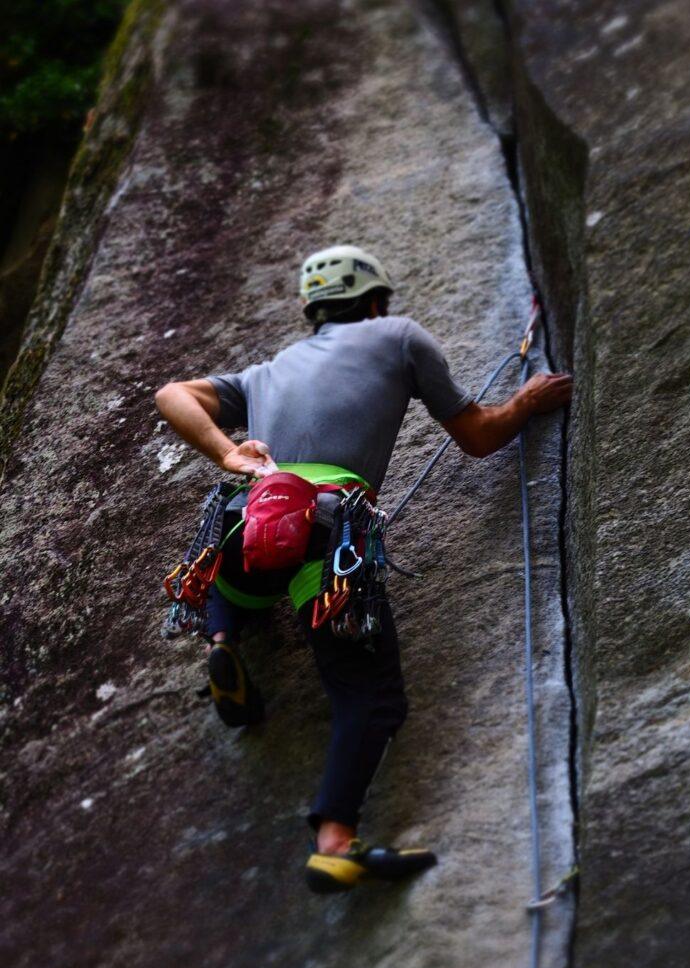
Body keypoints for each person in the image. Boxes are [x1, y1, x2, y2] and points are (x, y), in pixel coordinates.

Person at [155, 244, 572, 893]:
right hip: (326, 530)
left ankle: (222, 636)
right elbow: (479, 435)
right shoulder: (399, 335)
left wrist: (229, 454)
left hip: (247, 514)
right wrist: (527, 401)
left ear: (313, 311)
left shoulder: (268, 371)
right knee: (368, 696)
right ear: (376, 301)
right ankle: (335, 842)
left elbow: (170, 394)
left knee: (241, 565)